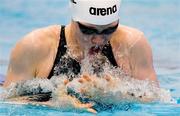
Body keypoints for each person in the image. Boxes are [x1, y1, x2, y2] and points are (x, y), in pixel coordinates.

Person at [2, 0, 159, 112]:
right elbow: (9, 103)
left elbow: (156, 100)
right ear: (74, 19)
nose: (98, 40)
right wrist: (57, 103)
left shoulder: (133, 44)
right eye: (88, 30)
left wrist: (117, 94)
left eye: (109, 30)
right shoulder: (35, 46)